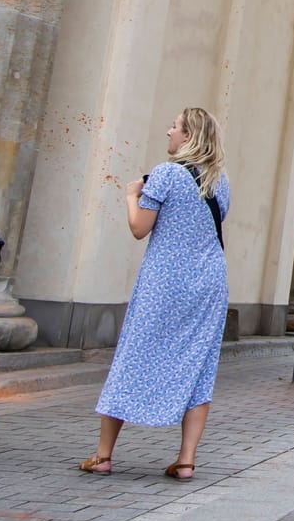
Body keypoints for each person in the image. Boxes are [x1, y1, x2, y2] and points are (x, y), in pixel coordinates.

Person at [83, 107, 231, 481]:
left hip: (164, 281)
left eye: (175, 126)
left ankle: (103, 455)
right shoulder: (220, 181)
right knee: (199, 365)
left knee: (134, 354)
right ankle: (185, 460)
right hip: (209, 282)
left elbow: (139, 228)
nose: (169, 130)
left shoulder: (164, 175)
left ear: (188, 136)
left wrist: (132, 195)